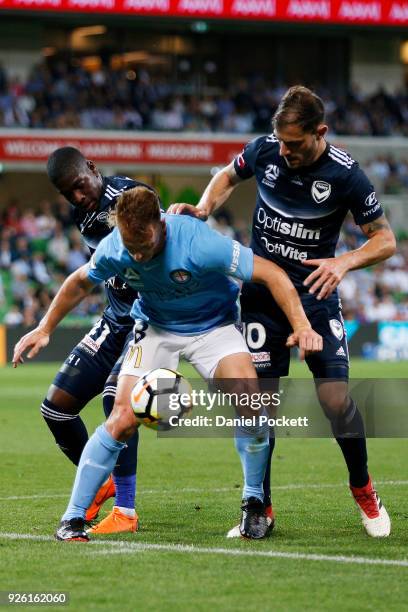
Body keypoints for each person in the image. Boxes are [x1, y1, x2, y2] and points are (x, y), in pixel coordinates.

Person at [13, 185, 323, 541]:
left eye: (143, 246)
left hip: (214, 327)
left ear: (160, 224)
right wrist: (44, 327)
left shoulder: (199, 242)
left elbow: (271, 274)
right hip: (157, 327)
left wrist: (301, 325)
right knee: (122, 419)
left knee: (251, 404)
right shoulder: (116, 246)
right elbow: (79, 282)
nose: (138, 257)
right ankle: (72, 519)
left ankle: (254, 503)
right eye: (132, 248)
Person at [169, 85, 396, 538]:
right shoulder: (266, 150)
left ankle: (364, 490)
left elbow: (385, 238)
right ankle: (260, 509)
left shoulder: (347, 176)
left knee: (334, 399)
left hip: (315, 296)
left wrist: (343, 261)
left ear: (320, 132)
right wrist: (203, 208)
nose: (285, 152)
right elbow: (227, 176)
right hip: (261, 299)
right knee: (258, 404)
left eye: (295, 144)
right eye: (281, 142)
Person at [30, 146, 155, 534]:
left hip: (150, 319)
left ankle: (126, 511)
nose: (78, 197)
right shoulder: (81, 214)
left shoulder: (130, 197)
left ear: (93, 168)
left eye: (80, 186)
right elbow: (92, 275)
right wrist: (44, 327)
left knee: (114, 400)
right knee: (56, 408)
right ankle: (102, 480)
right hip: (115, 318)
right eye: (69, 193)